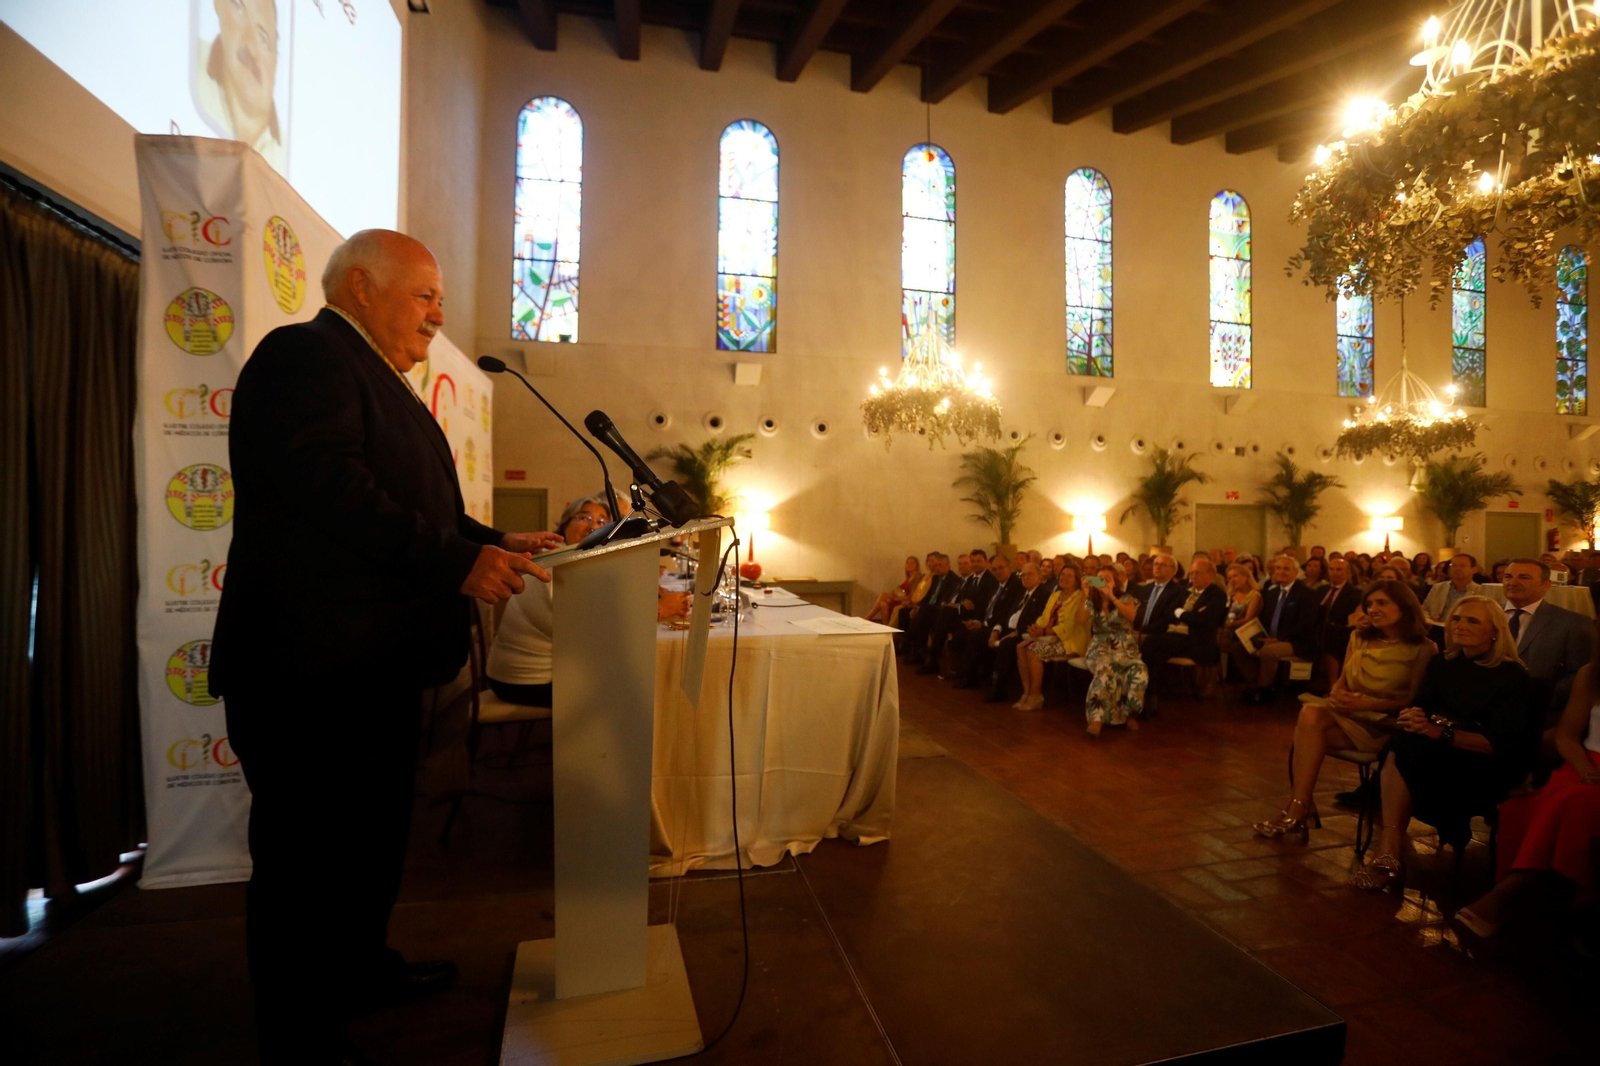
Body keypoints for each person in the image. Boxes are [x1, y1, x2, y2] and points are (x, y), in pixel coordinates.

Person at [210, 230, 562, 1064]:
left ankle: (359, 972)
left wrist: (497, 537)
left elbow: (419, 512)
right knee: (306, 865)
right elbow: (330, 491)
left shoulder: (374, 377)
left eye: (439, 300)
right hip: (310, 672)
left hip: (370, 668)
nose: (438, 317)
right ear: (361, 287)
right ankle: (299, 1032)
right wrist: (455, 560)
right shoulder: (305, 357)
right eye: (425, 296)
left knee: (365, 847)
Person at [1351, 596, 1539, 890]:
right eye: (1456, 619)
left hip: (1486, 761)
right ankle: (1389, 848)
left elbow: (1500, 744)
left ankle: (1389, 850)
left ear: (1495, 631)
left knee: (1404, 748)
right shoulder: (1443, 663)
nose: (1460, 626)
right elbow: (1421, 707)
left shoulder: (1511, 676)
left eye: (1472, 620)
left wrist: (1438, 731)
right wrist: (1413, 716)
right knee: (1404, 740)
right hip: (1435, 748)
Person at [1254, 580, 1435, 842]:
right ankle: (1299, 808)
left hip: (1384, 723)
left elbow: (1412, 701)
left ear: (1405, 607)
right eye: (1369, 604)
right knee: (1310, 714)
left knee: (1307, 730)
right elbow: (1343, 680)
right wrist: (1337, 693)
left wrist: (1365, 704)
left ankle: (1297, 810)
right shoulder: (1359, 637)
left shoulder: (1424, 648)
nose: (1373, 609)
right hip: (1349, 713)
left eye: (1381, 603)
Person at [1456, 659, 1600, 938]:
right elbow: (1567, 734)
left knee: (1571, 803)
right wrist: (1584, 769)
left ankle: (1507, 894)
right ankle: (1537, 902)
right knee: (1522, 808)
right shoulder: (1592, 673)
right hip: (1585, 766)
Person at [1500, 558, 1593, 724]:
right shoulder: (1487, 615)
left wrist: (1541, 697)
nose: (1513, 582)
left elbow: (1582, 674)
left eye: (1524, 577)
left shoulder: (1572, 623)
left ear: (1546, 585)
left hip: (1540, 716)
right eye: (1508, 576)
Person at [197, 0, 288, 171]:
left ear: (275, 62)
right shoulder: (189, 62)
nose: (251, 48)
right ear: (218, 5)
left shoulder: (287, 154)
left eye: (263, 39)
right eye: (239, 8)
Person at [1237, 556, 1320, 705]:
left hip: (1298, 642)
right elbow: (1266, 619)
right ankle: (1256, 682)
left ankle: (1263, 690)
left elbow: (1305, 625)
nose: (1281, 571)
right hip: (1271, 638)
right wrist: (1254, 633)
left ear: (1296, 572)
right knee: (1240, 646)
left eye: (1286, 568)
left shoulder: (1307, 594)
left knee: (1269, 651)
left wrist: (1279, 638)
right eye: (1278, 568)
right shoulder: (1272, 592)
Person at [1142, 556, 1225, 701]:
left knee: (1151, 642)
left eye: (1198, 573)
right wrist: (1185, 614)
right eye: (1191, 573)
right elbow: (1168, 612)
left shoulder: (1216, 594)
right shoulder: (1185, 592)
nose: (1193, 577)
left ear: (1211, 576)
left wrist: (1180, 612)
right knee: (1157, 655)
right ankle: (1152, 693)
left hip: (1197, 640)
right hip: (1175, 636)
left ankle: (1144, 689)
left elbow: (1202, 620)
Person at [1078, 565, 1147, 737]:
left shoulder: (1126, 598)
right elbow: (1081, 620)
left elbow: (1131, 616)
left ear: (1115, 582)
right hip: (1101, 648)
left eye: (1107, 578)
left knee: (1139, 671)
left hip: (1126, 649)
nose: (1103, 581)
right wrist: (1085, 595)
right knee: (1107, 670)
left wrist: (1111, 596)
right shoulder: (1092, 601)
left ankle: (1129, 714)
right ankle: (1097, 719)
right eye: (1100, 578)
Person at [1015, 564, 1090, 710]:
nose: (1064, 578)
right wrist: (1036, 628)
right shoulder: (1055, 595)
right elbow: (1044, 617)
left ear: (1076, 580)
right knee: (1020, 647)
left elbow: (1070, 626)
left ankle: (1036, 695)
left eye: (1069, 575)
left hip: (1070, 641)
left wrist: (1044, 632)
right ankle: (1027, 692)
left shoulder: (1080, 597)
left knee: (1033, 651)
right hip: (1049, 638)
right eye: (1062, 575)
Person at [983, 560, 1054, 702]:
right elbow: (1006, 614)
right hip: (1009, 629)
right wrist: (996, 631)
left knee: (1007, 645)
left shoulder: (1043, 595)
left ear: (1039, 577)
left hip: (1025, 633)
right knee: (980, 636)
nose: (1025, 578)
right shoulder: (1021, 592)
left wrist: (1014, 633)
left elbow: (1036, 620)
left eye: (1029, 574)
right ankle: (981, 679)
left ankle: (999, 688)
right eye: (1022, 575)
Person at [951, 553, 1021, 689]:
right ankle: (969, 673)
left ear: (1009, 567)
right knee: (959, 634)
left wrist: (986, 625)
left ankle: (971, 678)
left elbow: (1006, 613)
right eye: (994, 569)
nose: (998, 572)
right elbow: (988, 607)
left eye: (1001, 568)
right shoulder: (998, 585)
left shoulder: (1015, 586)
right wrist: (978, 621)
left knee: (975, 636)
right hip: (989, 623)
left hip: (1003, 627)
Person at [1315, 555, 1364, 688]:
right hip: (1318, 632)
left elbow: (1353, 619)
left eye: (1339, 569)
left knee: (1331, 639)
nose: (1334, 573)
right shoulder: (1321, 590)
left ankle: (1334, 686)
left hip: (1342, 633)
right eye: (1332, 569)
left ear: (1347, 573)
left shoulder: (1355, 593)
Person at [1219, 562, 1263, 663]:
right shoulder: (1231, 594)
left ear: (1246, 577)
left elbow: (1248, 620)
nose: (1232, 580)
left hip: (1243, 634)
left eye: (1235, 576)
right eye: (1229, 578)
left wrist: (1228, 625)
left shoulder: (1255, 596)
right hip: (1227, 631)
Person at [1422, 554, 1482, 624]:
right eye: (1454, 566)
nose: (1457, 569)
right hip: (1435, 626)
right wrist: (1430, 622)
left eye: (1462, 566)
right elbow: (1425, 609)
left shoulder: (1479, 591)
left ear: (1474, 570)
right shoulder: (1438, 587)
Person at [865, 554, 922, 624]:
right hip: (899, 598)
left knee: (884, 595)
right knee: (883, 604)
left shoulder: (917, 578)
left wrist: (896, 598)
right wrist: (892, 596)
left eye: (912, 563)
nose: (909, 565)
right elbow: (899, 591)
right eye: (907, 563)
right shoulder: (906, 578)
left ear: (917, 565)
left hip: (906, 601)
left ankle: (868, 617)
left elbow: (912, 596)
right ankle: (886, 627)